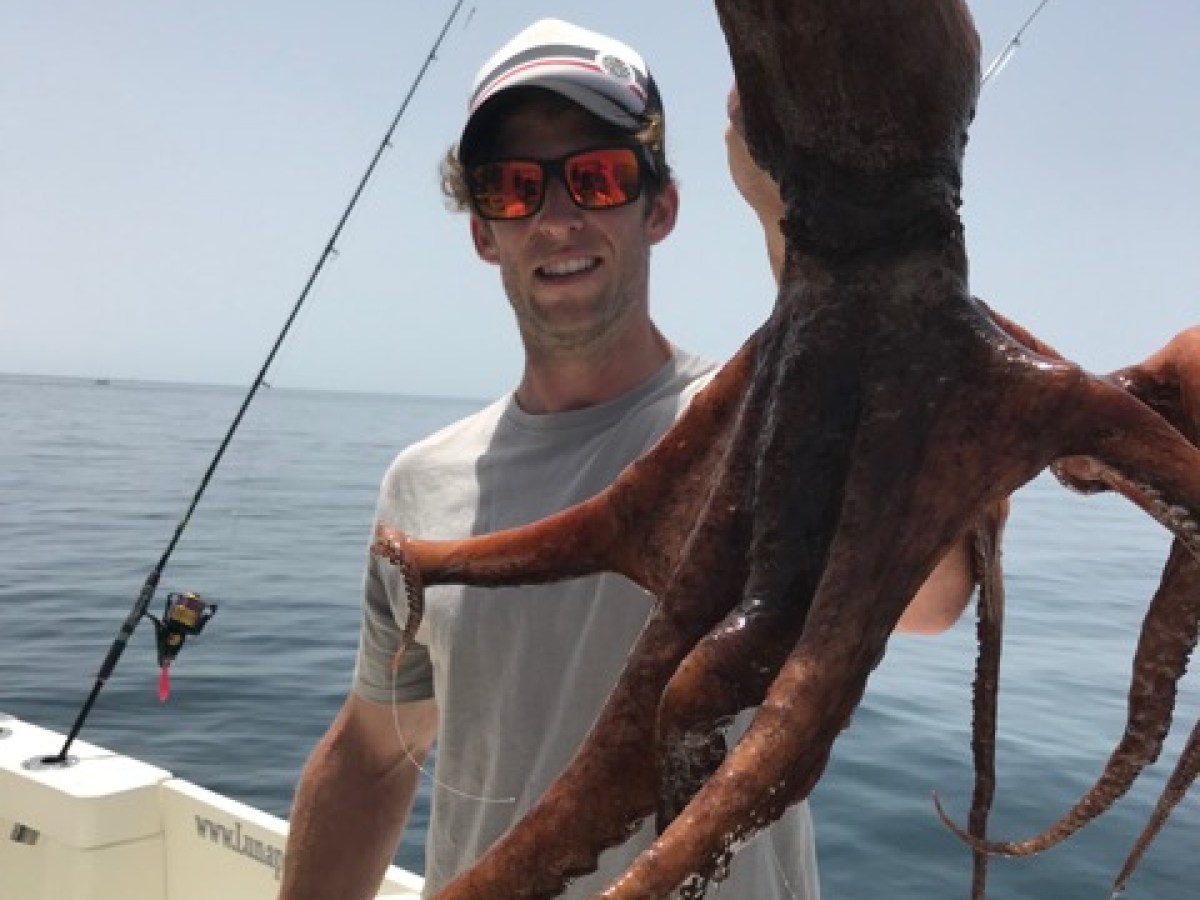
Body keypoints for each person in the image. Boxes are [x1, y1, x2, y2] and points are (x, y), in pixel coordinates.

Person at [279, 18, 975, 900]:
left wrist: (798, 216)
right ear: (484, 231)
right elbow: (375, 752)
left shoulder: (758, 428)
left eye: (598, 177)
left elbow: (936, 591)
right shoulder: (421, 486)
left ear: (661, 208)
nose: (559, 217)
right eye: (514, 186)